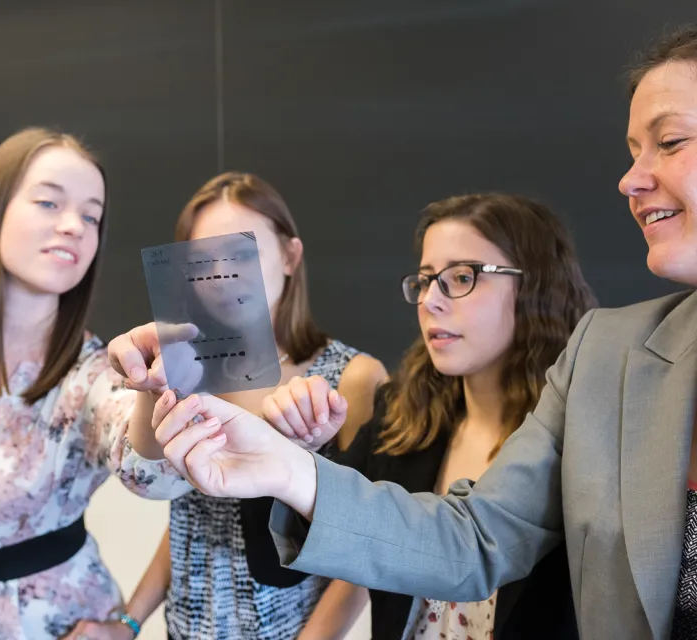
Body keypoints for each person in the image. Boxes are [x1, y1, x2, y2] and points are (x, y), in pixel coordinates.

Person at [147, 26, 697, 639]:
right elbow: (469, 540)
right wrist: (285, 463)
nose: (631, 179)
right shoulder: (600, 360)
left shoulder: (354, 374)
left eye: (669, 141)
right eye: (426, 278)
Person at [290, 193, 594, 640]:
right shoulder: (401, 416)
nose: (431, 300)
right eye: (427, 280)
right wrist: (298, 449)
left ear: (534, 287)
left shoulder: (584, 437)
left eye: (462, 277)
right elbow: (292, 556)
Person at [104, 172, 387, 640]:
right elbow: (190, 520)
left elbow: (370, 544)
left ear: (291, 255)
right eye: (201, 262)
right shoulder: (193, 375)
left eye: (240, 253)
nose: (221, 274)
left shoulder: (351, 378)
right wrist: (130, 621)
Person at [0, 128, 187, 640]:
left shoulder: (91, 374)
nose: (73, 225)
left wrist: (151, 389)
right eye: (49, 202)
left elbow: (149, 471)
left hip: (52, 623)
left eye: (91, 215)